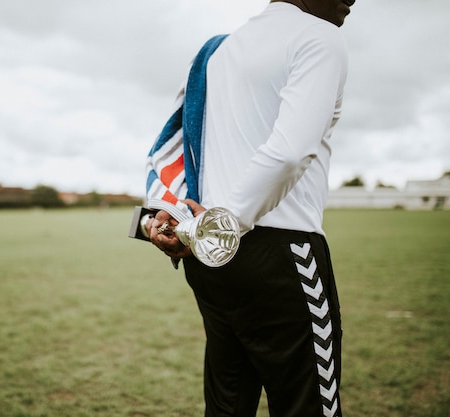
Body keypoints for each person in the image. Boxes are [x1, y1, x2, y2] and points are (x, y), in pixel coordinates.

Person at [144, 0, 356, 416]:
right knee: (308, 407)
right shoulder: (320, 37)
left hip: (212, 261)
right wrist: (224, 225)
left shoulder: (218, 53)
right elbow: (290, 152)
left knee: (227, 406)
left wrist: (202, 229)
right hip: (280, 252)